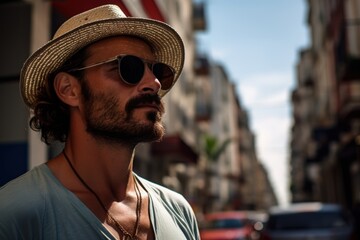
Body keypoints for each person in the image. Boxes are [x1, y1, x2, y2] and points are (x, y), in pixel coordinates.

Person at [0, 4, 200, 240]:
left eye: (157, 70)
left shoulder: (178, 211)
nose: (154, 82)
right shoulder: (15, 215)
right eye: (128, 67)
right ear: (69, 90)